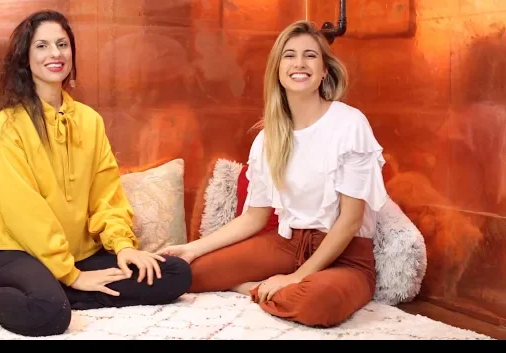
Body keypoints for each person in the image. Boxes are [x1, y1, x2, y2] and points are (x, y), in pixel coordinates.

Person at [0, 10, 192, 337]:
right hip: (16, 255)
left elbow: (106, 195)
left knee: (174, 274)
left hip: (79, 256)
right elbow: (23, 211)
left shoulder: (89, 121)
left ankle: (54, 293)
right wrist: (72, 275)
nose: (55, 54)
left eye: (62, 44)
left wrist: (123, 246)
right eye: (42, 46)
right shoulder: (8, 124)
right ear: (25, 58)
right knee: (49, 315)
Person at [158, 20, 388, 328]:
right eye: (289, 55)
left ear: (324, 70)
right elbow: (255, 217)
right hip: (287, 245)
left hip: (345, 256)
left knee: (316, 303)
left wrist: (297, 277)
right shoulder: (268, 137)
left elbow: (350, 220)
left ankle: (259, 288)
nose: (299, 63)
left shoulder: (349, 124)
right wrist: (192, 248)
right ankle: (264, 288)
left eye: (310, 55)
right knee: (186, 273)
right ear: (278, 70)